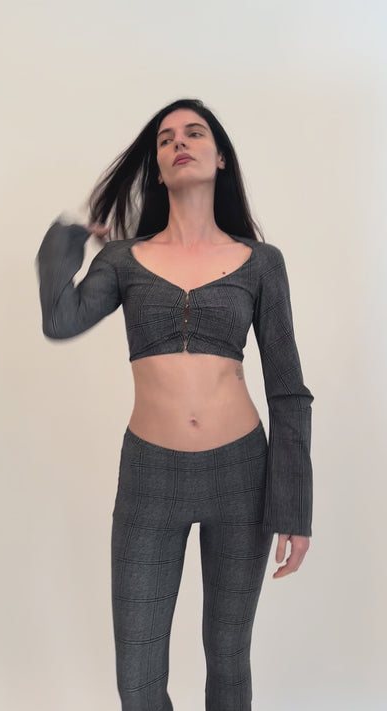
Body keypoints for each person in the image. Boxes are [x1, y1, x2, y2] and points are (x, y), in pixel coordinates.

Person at [36, 98, 314, 711]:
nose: (178, 143)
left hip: (242, 474)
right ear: (159, 168)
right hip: (149, 476)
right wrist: (68, 239)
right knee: (137, 679)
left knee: (229, 660)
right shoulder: (123, 260)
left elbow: (288, 387)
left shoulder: (262, 263)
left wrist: (294, 507)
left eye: (194, 133)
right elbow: (60, 319)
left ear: (220, 158)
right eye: (166, 139)